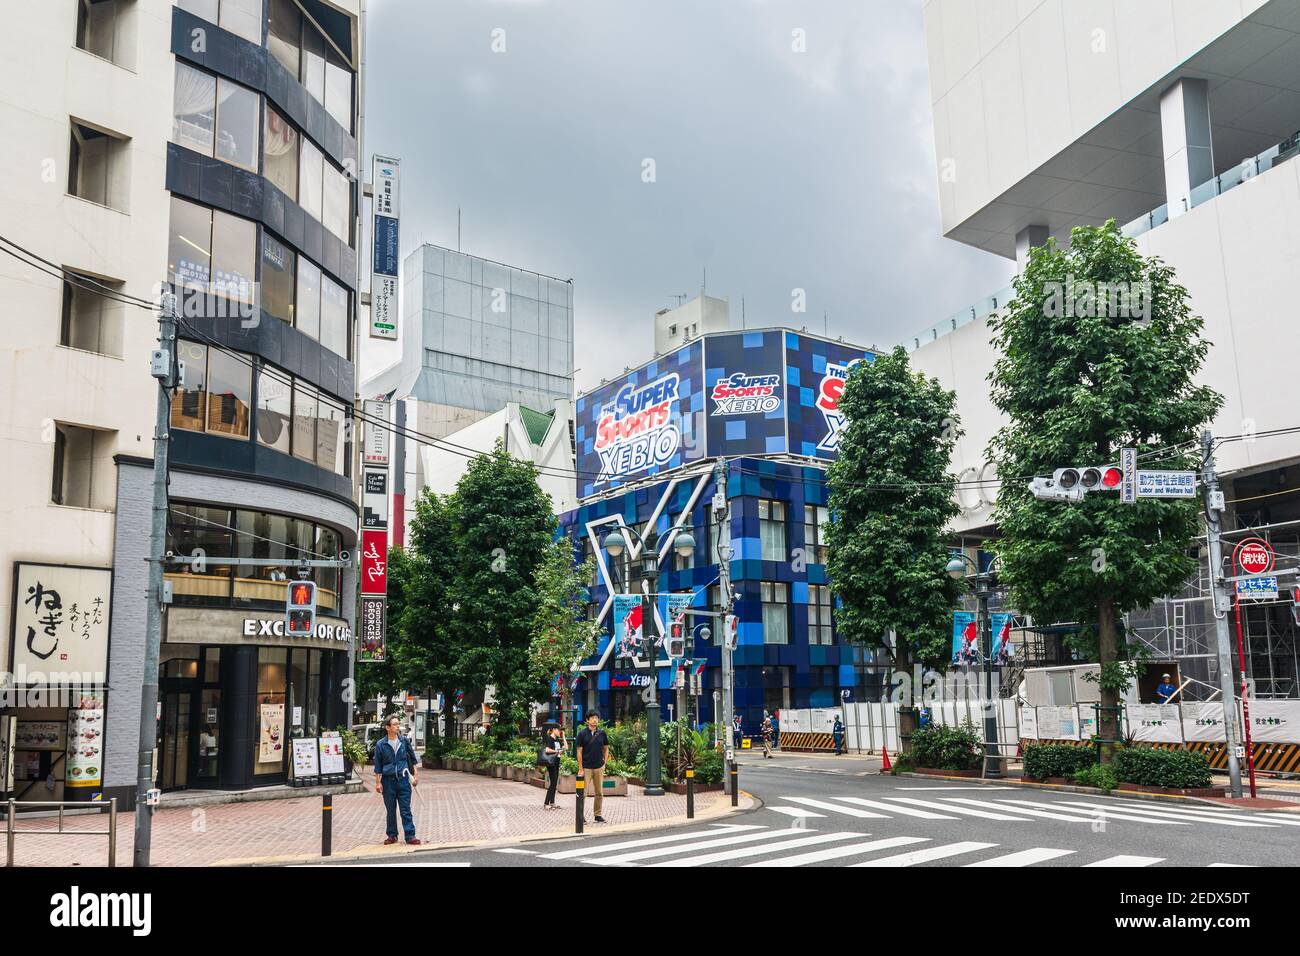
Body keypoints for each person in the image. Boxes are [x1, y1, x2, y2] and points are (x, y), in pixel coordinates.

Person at [373, 715, 421, 846]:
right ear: (387, 727)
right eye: (394, 724)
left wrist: (415, 776)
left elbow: (413, 760)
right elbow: (378, 766)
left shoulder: (404, 741)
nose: (397, 726)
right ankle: (392, 835)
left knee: (405, 809)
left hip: (403, 780)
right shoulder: (381, 745)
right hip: (388, 782)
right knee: (391, 810)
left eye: (398, 724)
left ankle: (410, 835)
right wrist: (378, 783)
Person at [575, 712, 609, 823]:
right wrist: (580, 768)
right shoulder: (582, 734)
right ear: (587, 720)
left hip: (599, 767)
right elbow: (579, 752)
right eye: (592, 718)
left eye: (596, 718)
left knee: (599, 792)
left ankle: (597, 815)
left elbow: (606, 748)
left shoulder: (602, 733)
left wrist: (605, 763)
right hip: (586, 768)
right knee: (583, 793)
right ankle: (580, 816)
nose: (595, 720)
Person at [540, 724, 566, 810]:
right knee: (553, 782)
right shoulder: (550, 738)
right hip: (551, 763)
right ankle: (546, 803)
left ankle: (552, 802)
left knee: (554, 783)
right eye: (559, 730)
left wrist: (564, 736)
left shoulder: (557, 739)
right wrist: (556, 751)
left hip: (557, 762)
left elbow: (566, 747)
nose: (560, 732)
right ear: (554, 729)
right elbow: (547, 749)